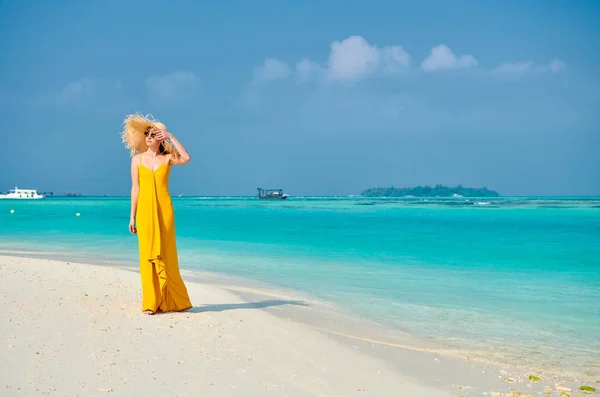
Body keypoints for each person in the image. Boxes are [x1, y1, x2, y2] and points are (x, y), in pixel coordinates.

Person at [121, 114, 193, 315]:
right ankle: (151, 302)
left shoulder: (167, 158)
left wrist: (171, 136)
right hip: (144, 211)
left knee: (168, 254)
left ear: (160, 137)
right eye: (147, 134)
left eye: (153, 134)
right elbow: (135, 188)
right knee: (147, 256)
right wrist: (132, 216)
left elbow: (186, 158)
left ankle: (173, 301)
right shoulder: (137, 160)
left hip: (165, 210)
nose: (149, 137)